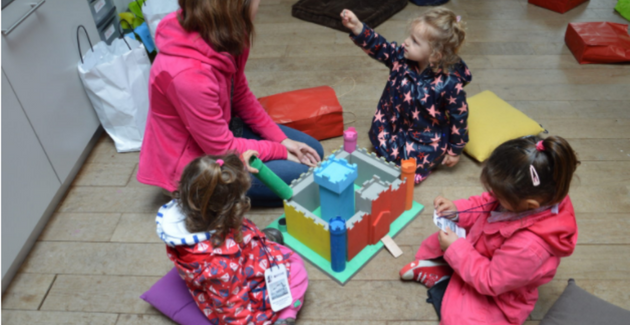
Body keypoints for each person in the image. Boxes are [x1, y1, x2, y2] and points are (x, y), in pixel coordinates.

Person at [138, 0, 323, 207]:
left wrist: (281, 140)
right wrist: (280, 151)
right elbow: (222, 149)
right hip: (197, 164)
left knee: (313, 151)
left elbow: (240, 93)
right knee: (304, 175)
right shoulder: (188, 76)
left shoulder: (229, 32)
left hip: (218, 135)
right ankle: (192, 192)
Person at [399, 136, 580, 324]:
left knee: (459, 319)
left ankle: (444, 277)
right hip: (482, 248)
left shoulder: (529, 248)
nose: (494, 196)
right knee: (436, 241)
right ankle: (445, 273)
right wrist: (457, 210)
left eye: (499, 196)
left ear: (529, 204)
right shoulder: (533, 196)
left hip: (500, 293)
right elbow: (485, 202)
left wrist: (456, 249)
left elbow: (492, 281)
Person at [156, 153, 308, 325]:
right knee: (297, 267)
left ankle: (259, 241)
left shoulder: (194, 214)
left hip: (238, 260)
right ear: (230, 209)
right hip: (248, 295)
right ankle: (286, 315)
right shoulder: (220, 267)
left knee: (273, 247)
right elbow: (233, 311)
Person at [341, 7, 470, 184]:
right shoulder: (401, 57)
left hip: (423, 136)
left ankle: (420, 169)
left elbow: (459, 118)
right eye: (410, 36)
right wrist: (358, 28)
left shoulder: (449, 84)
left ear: (435, 55)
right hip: (393, 122)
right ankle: (390, 153)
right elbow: (381, 47)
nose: (406, 42)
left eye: (415, 41)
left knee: (419, 159)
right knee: (380, 141)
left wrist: (455, 150)